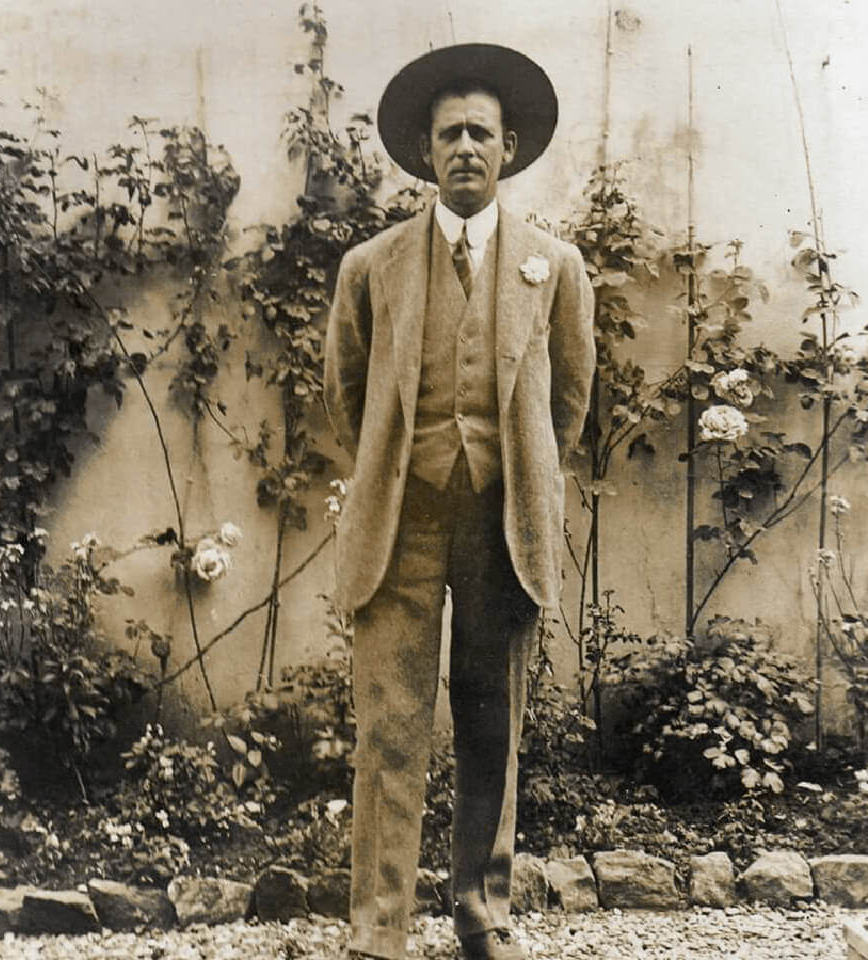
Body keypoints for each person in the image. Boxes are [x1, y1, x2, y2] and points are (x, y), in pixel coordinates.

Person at [323, 43, 596, 960]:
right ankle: (378, 927)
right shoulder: (373, 266)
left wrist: (513, 470)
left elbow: (568, 405)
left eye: (483, 131)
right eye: (451, 134)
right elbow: (349, 397)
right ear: (426, 153)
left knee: (491, 723)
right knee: (390, 728)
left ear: (510, 148)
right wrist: (403, 464)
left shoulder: (555, 267)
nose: (467, 146)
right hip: (401, 520)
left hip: (501, 523)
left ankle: (485, 913)